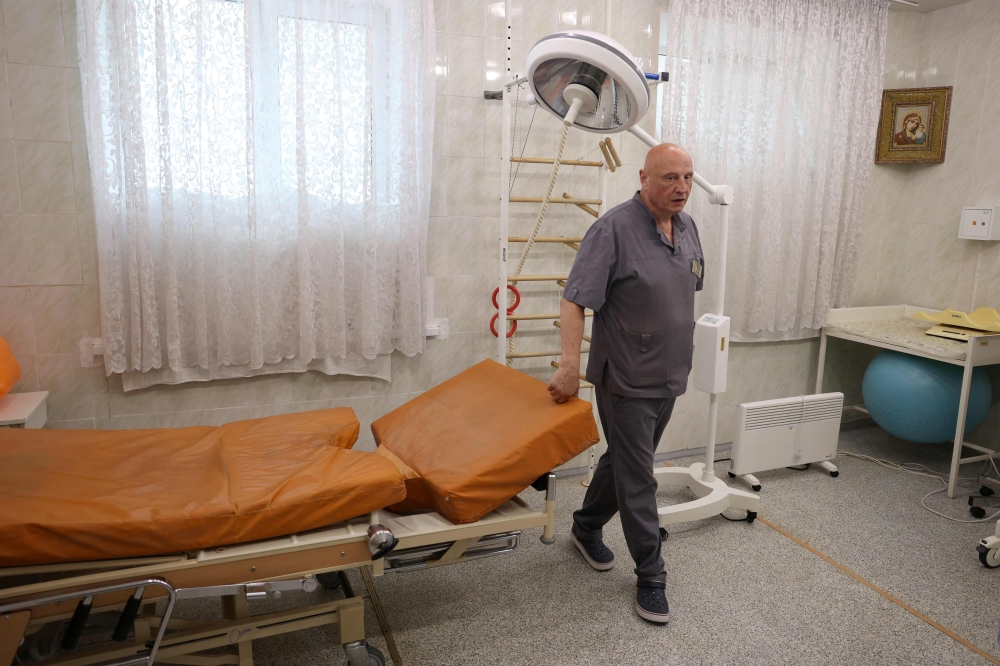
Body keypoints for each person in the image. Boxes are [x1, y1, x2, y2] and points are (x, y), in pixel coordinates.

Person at [548, 143, 704, 624]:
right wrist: (569, 364)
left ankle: (586, 524)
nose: (681, 188)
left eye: (687, 177)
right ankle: (651, 577)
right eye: (669, 178)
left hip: (669, 373)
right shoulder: (612, 229)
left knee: (624, 462)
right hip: (627, 378)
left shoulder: (688, 227)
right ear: (643, 178)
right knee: (639, 477)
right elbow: (575, 300)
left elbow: (684, 290)